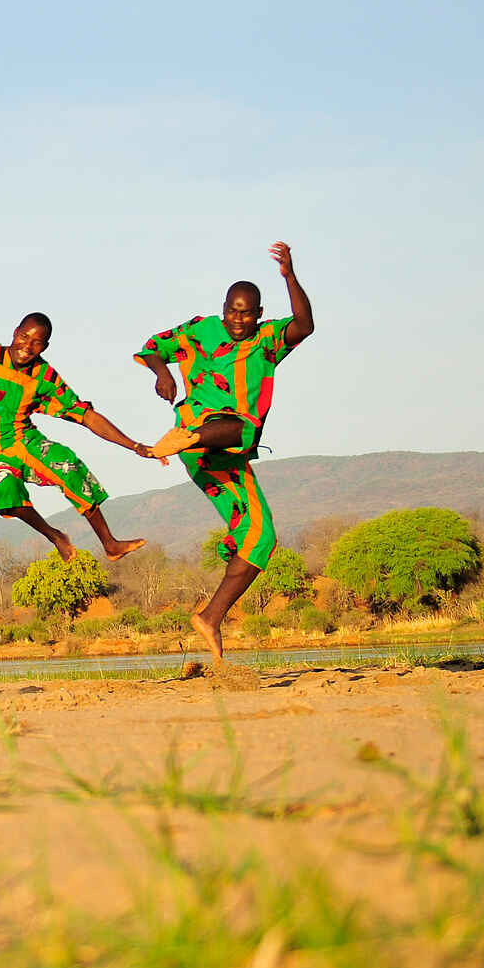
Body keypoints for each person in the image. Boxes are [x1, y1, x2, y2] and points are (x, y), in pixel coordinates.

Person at [136, 242, 314, 661]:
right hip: (201, 431)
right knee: (244, 425)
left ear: (258, 314)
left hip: (228, 456)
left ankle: (210, 618)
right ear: (223, 310)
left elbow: (304, 325)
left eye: (247, 313)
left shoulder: (268, 340)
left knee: (260, 538)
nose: (238, 319)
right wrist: (163, 374)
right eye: (233, 311)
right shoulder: (200, 330)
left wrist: (289, 275)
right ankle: (186, 437)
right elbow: (152, 348)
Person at [0, 313, 158, 561]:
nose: (27, 346)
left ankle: (110, 544)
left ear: (45, 346)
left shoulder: (45, 376)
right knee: (5, 489)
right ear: (15, 332)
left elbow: (86, 416)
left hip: (25, 443)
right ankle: (55, 536)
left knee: (68, 465)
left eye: (37, 343)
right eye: (24, 337)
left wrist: (133, 445)